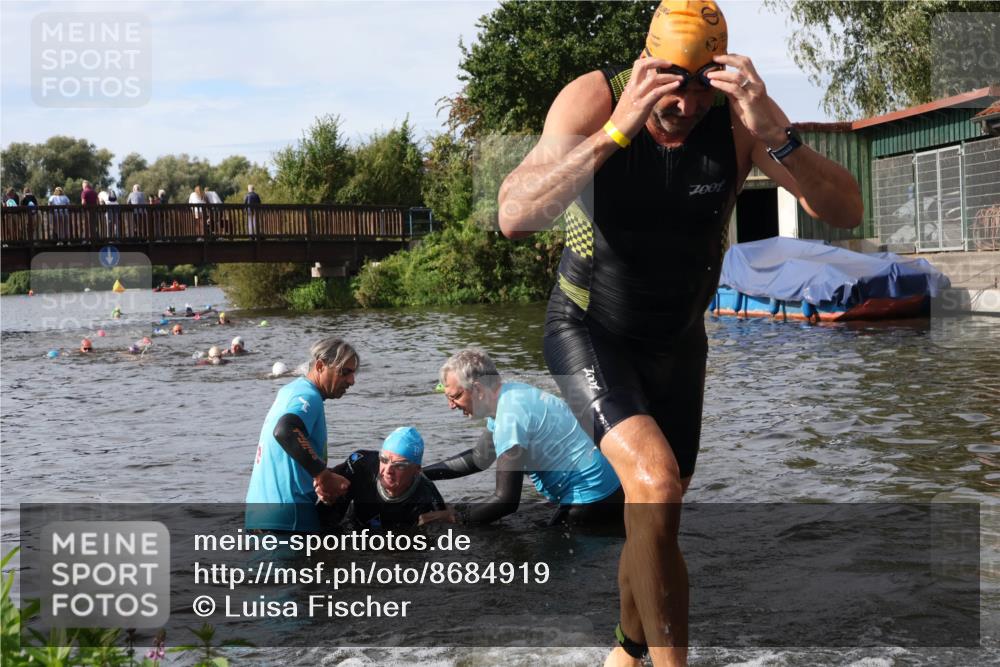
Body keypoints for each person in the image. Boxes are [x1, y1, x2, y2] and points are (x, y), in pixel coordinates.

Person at [495, 3, 863, 664]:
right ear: (645, 62)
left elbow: (843, 208)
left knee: (656, 513)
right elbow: (516, 215)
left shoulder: (739, 122)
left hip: (677, 342)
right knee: (656, 483)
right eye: (671, 79)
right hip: (589, 325)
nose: (688, 101)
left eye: (703, 82)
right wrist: (614, 132)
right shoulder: (595, 98)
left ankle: (626, 649)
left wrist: (777, 133)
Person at [425, 349, 622, 527]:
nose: (451, 405)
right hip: (609, 488)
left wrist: (455, 518)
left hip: (592, 497)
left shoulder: (510, 418)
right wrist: (421, 474)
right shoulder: (511, 395)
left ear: (477, 389)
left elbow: (506, 502)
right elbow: (480, 458)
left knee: (547, 563)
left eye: (455, 396)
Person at [245, 337, 358, 533]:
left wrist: (326, 471)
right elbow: (285, 430)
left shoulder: (291, 390)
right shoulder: (309, 397)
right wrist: (322, 475)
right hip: (289, 518)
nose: (351, 381)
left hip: (259, 513)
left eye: (353, 373)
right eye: (345, 372)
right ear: (321, 366)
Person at [315, 426, 452, 531]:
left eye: (399, 466)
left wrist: (443, 517)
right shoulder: (360, 464)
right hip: (354, 526)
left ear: (416, 470)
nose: (387, 471)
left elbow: (449, 520)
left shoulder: (426, 494)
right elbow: (326, 483)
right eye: (384, 460)